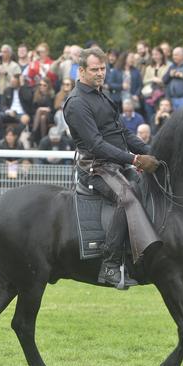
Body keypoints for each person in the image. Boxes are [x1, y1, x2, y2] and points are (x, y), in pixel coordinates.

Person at [63, 47, 161, 288]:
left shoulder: (101, 95)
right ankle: (109, 265)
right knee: (127, 196)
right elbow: (96, 145)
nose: (100, 73)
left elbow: (124, 132)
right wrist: (136, 160)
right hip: (95, 169)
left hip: (115, 165)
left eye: (103, 69)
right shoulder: (76, 102)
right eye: (95, 69)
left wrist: (153, 152)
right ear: (81, 70)